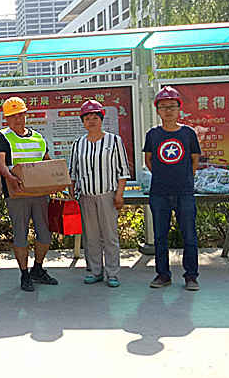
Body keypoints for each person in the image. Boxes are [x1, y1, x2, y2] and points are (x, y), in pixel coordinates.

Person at [0, 96, 58, 292]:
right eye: (12, 116)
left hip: (40, 194)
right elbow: (0, 164)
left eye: (20, 114)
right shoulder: (2, 137)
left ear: (26, 115)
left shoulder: (38, 137)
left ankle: (38, 268)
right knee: (21, 234)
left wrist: (57, 179)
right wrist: (10, 178)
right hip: (16, 193)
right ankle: (24, 273)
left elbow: (46, 161)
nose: (17, 119)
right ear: (6, 118)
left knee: (45, 234)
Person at [143, 86, 201, 291]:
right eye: (163, 107)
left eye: (172, 106)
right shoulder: (153, 134)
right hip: (159, 192)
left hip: (184, 192)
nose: (168, 111)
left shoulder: (188, 133)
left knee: (189, 235)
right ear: (157, 110)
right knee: (160, 236)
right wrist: (164, 175)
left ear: (179, 109)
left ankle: (191, 276)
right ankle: (163, 275)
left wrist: (183, 178)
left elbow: (194, 160)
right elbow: (149, 160)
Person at [69, 100, 131, 288]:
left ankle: (112, 273)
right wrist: (72, 195)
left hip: (107, 195)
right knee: (91, 237)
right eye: (87, 118)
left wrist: (119, 195)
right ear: (83, 121)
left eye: (95, 117)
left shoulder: (114, 141)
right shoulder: (78, 143)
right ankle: (95, 271)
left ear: (101, 119)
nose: (91, 121)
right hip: (86, 196)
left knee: (110, 236)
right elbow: (73, 172)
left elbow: (123, 171)